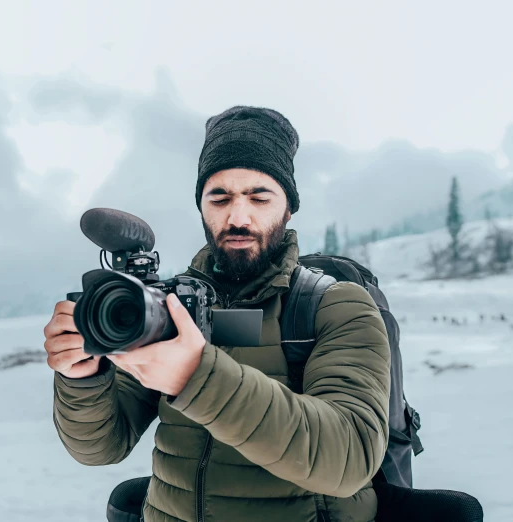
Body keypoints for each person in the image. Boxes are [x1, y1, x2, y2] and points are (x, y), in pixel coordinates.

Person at [44, 106, 391, 522]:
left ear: (288, 208)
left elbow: (347, 460)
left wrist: (195, 376)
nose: (238, 217)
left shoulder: (335, 306)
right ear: (202, 207)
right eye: (219, 197)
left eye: (259, 196)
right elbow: (99, 448)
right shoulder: (171, 307)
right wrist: (82, 377)